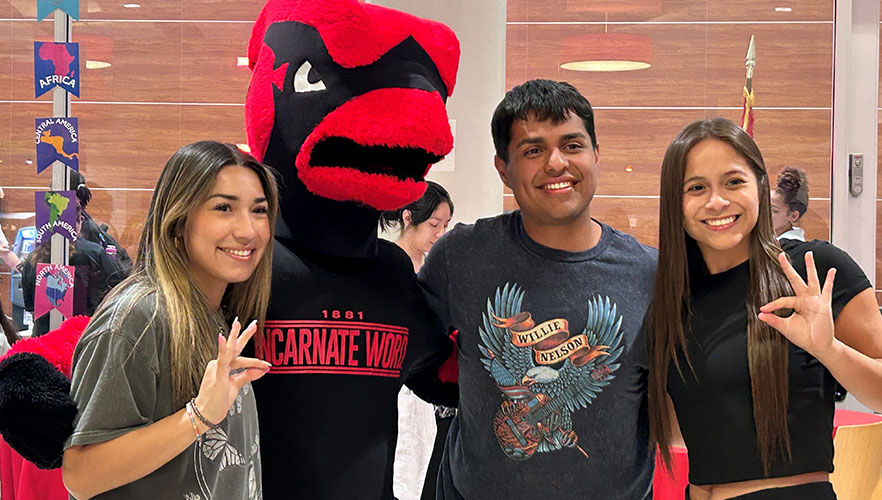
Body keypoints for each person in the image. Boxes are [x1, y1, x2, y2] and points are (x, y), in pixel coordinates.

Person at [419, 79, 658, 499]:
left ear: (596, 154)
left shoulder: (649, 273)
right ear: (503, 168)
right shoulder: (462, 255)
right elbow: (415, 354)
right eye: (533, 150)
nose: (556, 163)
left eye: (572, 145)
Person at [647, 117, 882, 500]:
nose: (717, 201)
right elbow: (686, 423)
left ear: (760, 186)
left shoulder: (811, 268)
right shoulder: (674, 296)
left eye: (733, 182)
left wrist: (829, 350)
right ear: (676, 202)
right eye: (696, 187)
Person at [61, 141, 278, 499]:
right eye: (223, 208)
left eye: (259, 210)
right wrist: (198, 416)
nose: (248, 230)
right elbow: (81, 475)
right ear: (179, 221)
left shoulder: (212, 315)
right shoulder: (138, 318)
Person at [381, 181, 454, 500]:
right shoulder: (387, 265)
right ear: (408, 218)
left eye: (445, 226)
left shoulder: (435, 268)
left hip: (433, 386)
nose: (440, 234)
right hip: (397, 380)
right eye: (434, 224)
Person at [19, 199, 125, 337]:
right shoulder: (95, 253)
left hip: (43, 343)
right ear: (78, 221)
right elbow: (117, 295)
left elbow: (31, 309)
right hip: (83, 340)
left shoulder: (31, 260)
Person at [771, 166, 809, 241]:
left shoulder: (791, 248)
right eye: (764, 207)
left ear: (793, 216)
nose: (765, 213)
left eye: (774, 210)